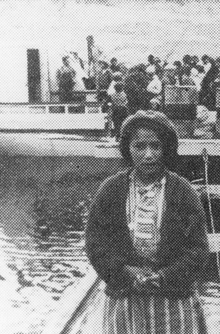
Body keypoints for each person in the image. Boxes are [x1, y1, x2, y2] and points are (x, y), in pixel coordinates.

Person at [85, 111, 210, 334]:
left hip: (172, 303)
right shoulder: (111, 190)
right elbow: (96, 244)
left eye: (155, 146)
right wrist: (125, 272)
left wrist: (164, 277)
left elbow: (197, 250)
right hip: (124, 301)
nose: (148, 154)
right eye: (139, 146)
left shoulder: (182, 191)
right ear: (128, 149)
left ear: (166, 149)